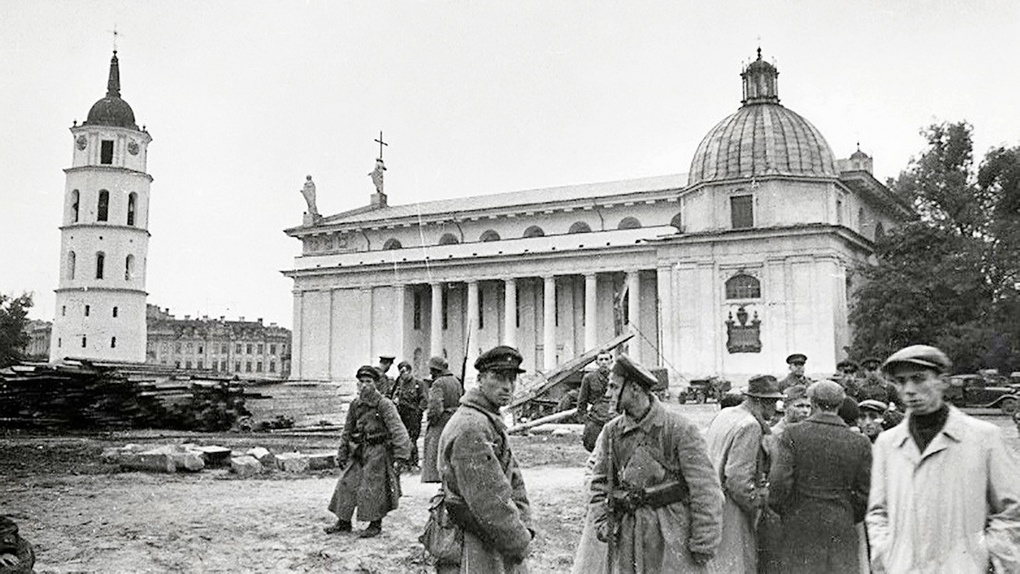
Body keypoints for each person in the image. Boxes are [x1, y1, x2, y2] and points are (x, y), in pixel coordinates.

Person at [866, 345, 1020, 573]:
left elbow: (1011, 510)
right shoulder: (887, 444)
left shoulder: (984, 437)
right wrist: (887, 554)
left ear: (944, 381)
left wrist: (989, 558)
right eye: (900, 381)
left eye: (918, 379)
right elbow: (878, 512)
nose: (909, 390)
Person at [572, 354, 723, 573]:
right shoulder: (612, 431)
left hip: (672, 534)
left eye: (614, 387)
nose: (608, 393)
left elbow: (706, 490)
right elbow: (598, 483)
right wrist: (603, 522)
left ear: (634, 388)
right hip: (628, 536)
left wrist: (703, 542)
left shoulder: (679, 429)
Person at [438, 346, 533, 573]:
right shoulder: (472, 427)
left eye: (512, 379)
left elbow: (513, 478)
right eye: (498, 377)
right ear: (480, 379)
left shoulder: (486, 420)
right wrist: (518, 540)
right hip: (474, 538)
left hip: (492, 535)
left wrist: (524, 524)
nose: (507, 386)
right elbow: (489, 499)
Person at [769, 381, 872, 574]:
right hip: (842, 526)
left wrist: (791, 513)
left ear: (813, 403)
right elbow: (865, 495)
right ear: (840, 405)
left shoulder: (792, 434)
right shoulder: (860, 442)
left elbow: (778, 485)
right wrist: (847, 514)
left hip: (800, 525)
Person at [704, 374, 783, 574]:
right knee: (737, 565)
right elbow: (738, 479)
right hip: (732, 509)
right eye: (772, 402)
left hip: (712, 503)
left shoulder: (726, 414)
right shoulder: (750, 425)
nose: (775, 409)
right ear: (760, 402)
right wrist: (758, 502)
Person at [325, 365, 411, 538]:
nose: (364, 385)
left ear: (376, 384)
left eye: (368, 382)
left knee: (373, 487)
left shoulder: (384, 404)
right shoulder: (355, 404)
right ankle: (343, 521)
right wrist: (342, 453)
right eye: (361, 382)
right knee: (346, 483)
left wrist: (401, 456)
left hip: (378, 450)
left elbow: (398, 430)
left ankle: (375, 524)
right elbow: (347, 430)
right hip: (358, 450)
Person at [422, 356, 463, 484]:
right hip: (456, 420)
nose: (430, 373)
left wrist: (431, 420)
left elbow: (435, 406)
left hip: (442, 422)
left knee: (435, 451)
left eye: (431, 370)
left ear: (435, 370)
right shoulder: (456, 381)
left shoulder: (438, 383)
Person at [392, 360, 428, 470]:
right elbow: (392, 394)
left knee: (412, 439)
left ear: (409, 371)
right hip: (401, 414)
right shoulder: (399, 382)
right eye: (400, 372)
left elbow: (424, 400)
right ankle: (404, 462)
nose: (402, 374)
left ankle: (413, 462)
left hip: (413, 415)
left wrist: (418, 412)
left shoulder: (418, 384)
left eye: (404, 371)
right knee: (402, 438)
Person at [576, 351, 614, 452]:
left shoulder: (617, 378)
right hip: (596, 419)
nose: (604, 362)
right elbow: (582, 401)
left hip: (614, 417)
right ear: (596, 363)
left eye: (606, 359)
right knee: (593, 446)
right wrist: (584, 419)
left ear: (611, 361)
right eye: (601, 360)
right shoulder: (589, 378)